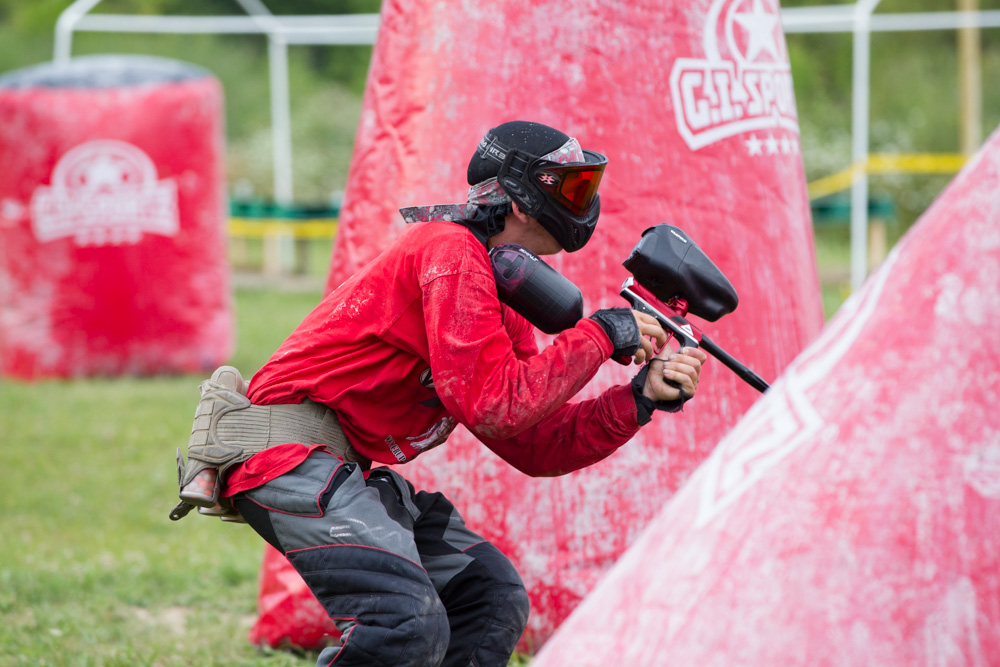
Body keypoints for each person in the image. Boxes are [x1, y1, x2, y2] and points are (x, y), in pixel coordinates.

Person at [187, 120, 706, 667]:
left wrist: (638, 399)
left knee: (488, 600)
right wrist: (600, 336)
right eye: (573, 187)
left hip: (336, 468)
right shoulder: (450, 250)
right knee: (405, 623)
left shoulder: (495, 295)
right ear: (523, 199)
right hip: (286, 457)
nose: (585, 204)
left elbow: (533, 440)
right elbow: (495, 405)